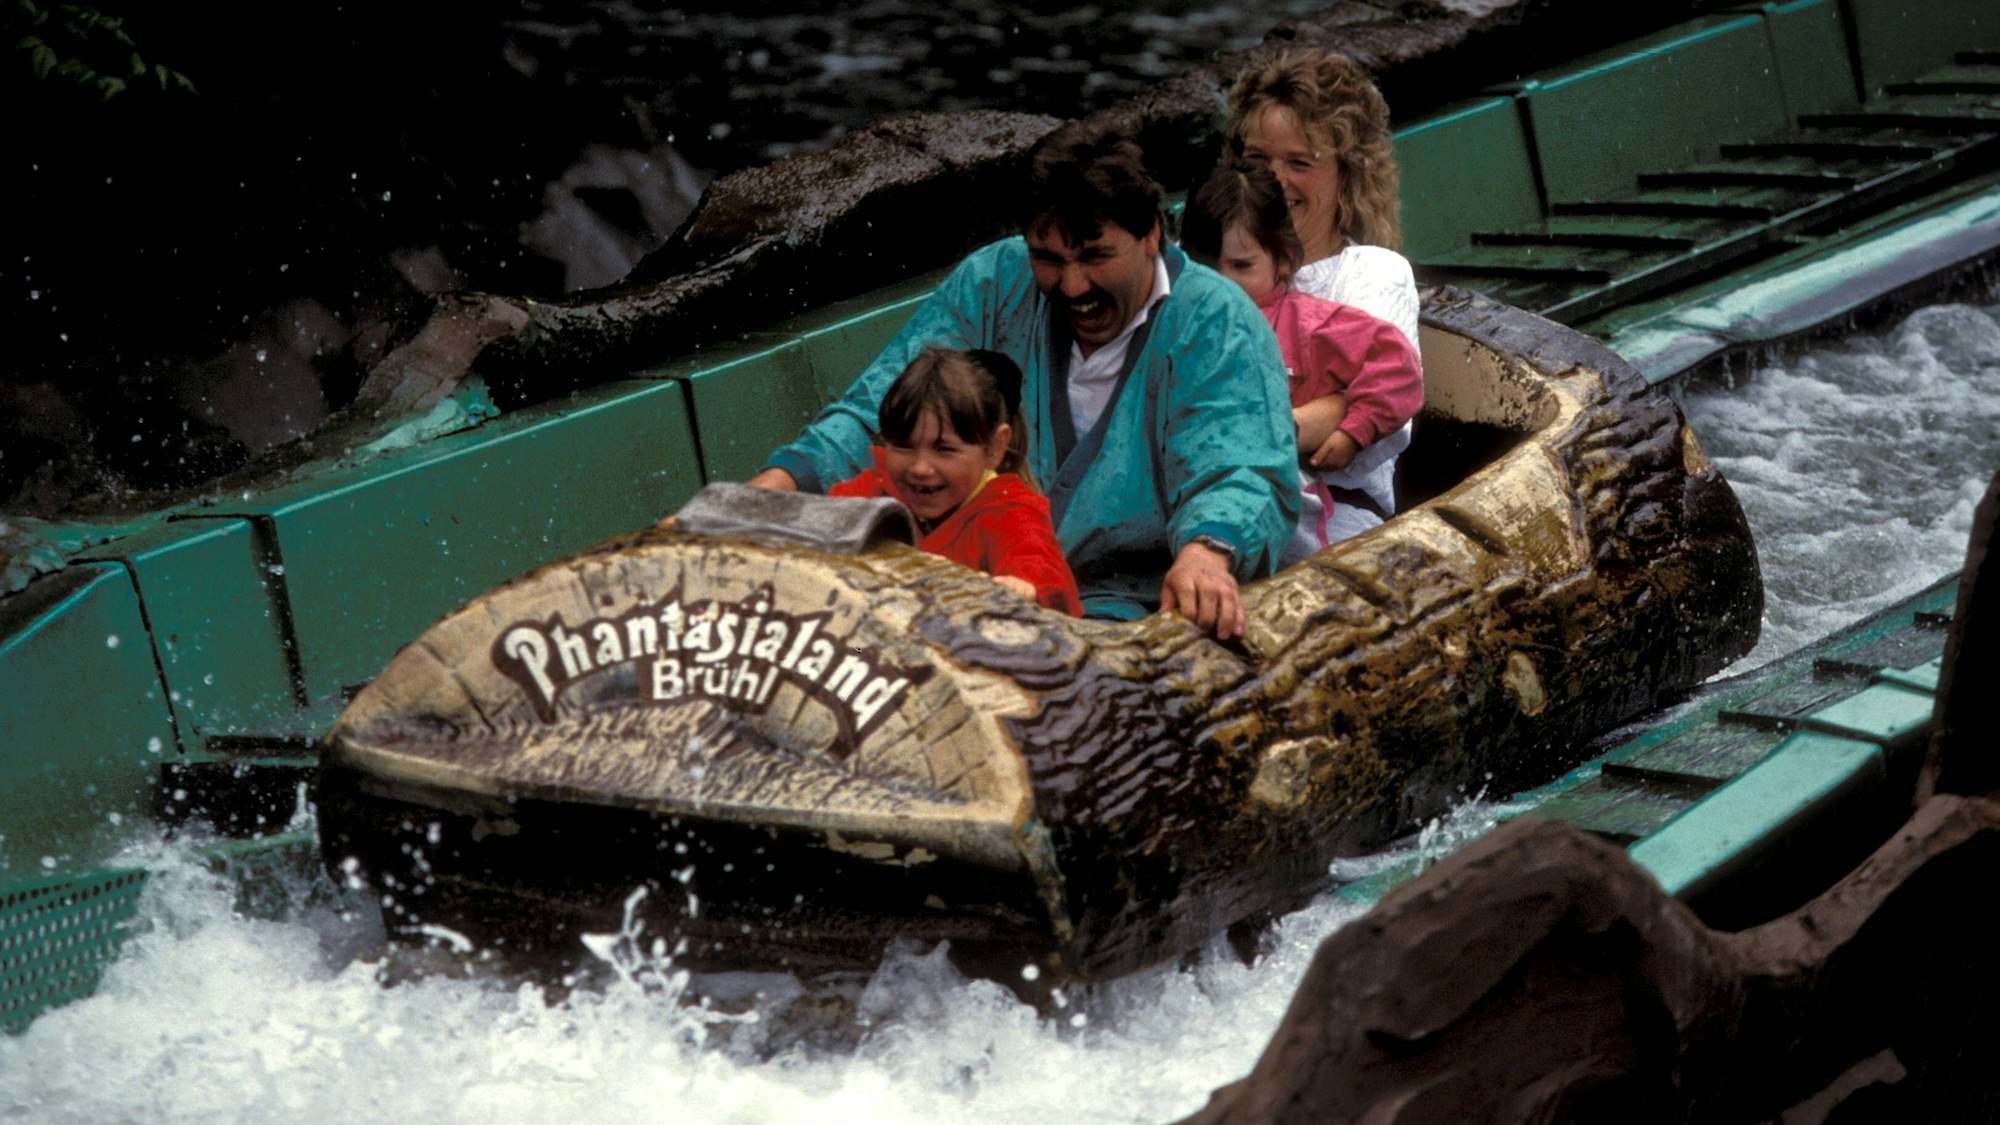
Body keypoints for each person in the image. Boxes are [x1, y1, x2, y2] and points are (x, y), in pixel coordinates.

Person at [747, 121, 1298, 640]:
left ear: (1152, 233)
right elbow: (878, 413)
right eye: (1048, 259)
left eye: (1095, 256)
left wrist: (1208, 552)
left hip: (1131, 616)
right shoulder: (991, 282)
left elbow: (1242, 470)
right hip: (967, 597)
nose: (1073, 285)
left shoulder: (1218, 321)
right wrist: (767, 494)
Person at [1180, 163, 1422, 559]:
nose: (1222, 283)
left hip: (1286, 496)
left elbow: (1397, 367)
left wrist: (1353, 430)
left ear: (1284, 261)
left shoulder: (1310, 324)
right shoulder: (1178, 325)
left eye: (1242, 266)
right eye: (1205, 268)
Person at [1227, 49, 1422, 538]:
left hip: (1338, 516)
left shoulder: (1372, 274)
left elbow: (1382, 409)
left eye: (1299, 162)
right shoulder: (1221, 269)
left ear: (1347, 173)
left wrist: (1245, 435)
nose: (1275, 179)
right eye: (1258, 160)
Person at [828, 347, 1083, 615]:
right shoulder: (873, 490)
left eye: (944, 450)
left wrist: (1021, 587)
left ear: (995, 448)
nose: (920, 468)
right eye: (903, 446)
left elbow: (1037, 561)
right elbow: (818, 524)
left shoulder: (1009, 510)